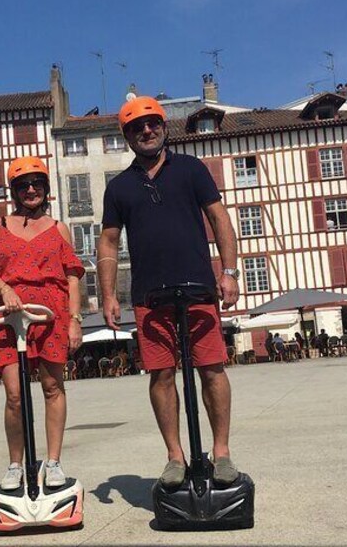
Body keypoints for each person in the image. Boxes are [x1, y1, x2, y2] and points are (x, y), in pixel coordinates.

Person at [97, 96, 241, 487]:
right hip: (149, 295)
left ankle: (223, 453)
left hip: (198, 289)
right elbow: (108, 243)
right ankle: (175, 457)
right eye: (136, 127)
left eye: (152, 124)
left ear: (163, 127)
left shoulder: (191, 170)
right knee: (161, 374)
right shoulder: (120, 188)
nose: (146, 131)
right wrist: (109, 294)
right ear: (127, 136)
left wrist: (228, 272)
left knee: (212, 369)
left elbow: (219, 220)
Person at [0, 155, 84, 491]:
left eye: (36, 183)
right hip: (11, 317)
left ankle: (53, 462)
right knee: (14, 395)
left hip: (51, 314)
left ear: (46, 188)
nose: (30, 189)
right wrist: (5, 288)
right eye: (23, 185)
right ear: (14, 191)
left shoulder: (58, 228)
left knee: (53, 388)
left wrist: (75, 320)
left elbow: (72, 276)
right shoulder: (0, 225)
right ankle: (15, 464)